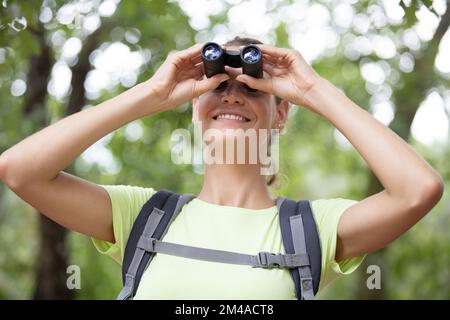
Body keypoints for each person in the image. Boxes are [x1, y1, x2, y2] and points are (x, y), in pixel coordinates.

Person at [0, 36, 444, 299]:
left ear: (281, 115)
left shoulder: (312, 229)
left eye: (252, 88)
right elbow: (20, 170)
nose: (233, 95)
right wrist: (151, 94)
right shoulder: (143, 216)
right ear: (196, 106)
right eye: (219, 85)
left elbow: (417, 190)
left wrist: (312, 89)